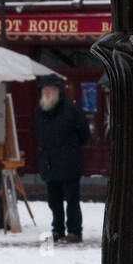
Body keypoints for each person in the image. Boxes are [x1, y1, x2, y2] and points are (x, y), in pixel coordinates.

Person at [34, 75, 90, 244]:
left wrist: (69, 149)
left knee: (72, 199)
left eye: (51, 90)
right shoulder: (39, 111)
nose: (48, 93)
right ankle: (57, 229)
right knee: (54, 200)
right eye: (45, 90)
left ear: (59, 92)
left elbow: (84, 135)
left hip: (69, 162)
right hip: (49, 162)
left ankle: (74, 231)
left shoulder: (71, 110)